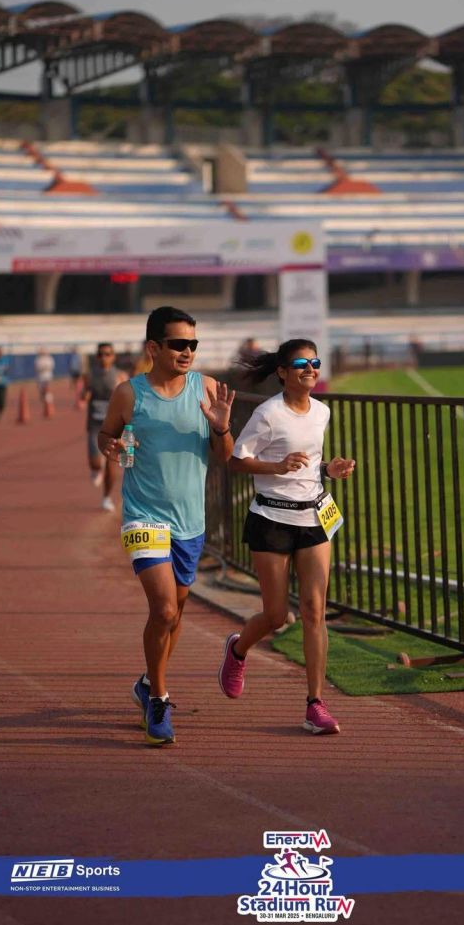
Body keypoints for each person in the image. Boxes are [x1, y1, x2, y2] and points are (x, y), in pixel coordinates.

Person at [98, 307, 235, 747]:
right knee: (165, 611)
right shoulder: (129, 393)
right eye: (178, 344)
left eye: (192, 344)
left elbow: (225, 457)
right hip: (144, 516)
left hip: (190, 522)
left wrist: (222, 428)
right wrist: (112, 446)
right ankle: (159, 699)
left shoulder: (206, 388)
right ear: (154, 348)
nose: (187, 351)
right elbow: (106, 435)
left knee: (176, 611)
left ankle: (146, 682)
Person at [218, 339, 355, 735]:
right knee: (276, 615)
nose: (310, 369)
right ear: (282, 371)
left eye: (315, 362)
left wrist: (329, 469)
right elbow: (236, 460)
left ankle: (315, 704)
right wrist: (276, 467)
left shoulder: (322, 411)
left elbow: (309, 462)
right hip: (271, 519)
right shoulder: (268, 414)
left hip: (314, 516)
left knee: (314, 610)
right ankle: (238, 649)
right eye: (300, 364)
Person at [82, 343, 127, 511]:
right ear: (97, 356)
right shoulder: (90, 375)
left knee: (111, 464)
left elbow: (128, 399)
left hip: (114, 426)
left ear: (113, 356)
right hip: (95, 424)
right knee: (95, 463)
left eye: (108, 354)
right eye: (101, 354)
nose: (104, 357)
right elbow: (84, 394)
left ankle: (106, 497)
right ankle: (96, 469)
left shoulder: (120, 376)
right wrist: (85, 396)